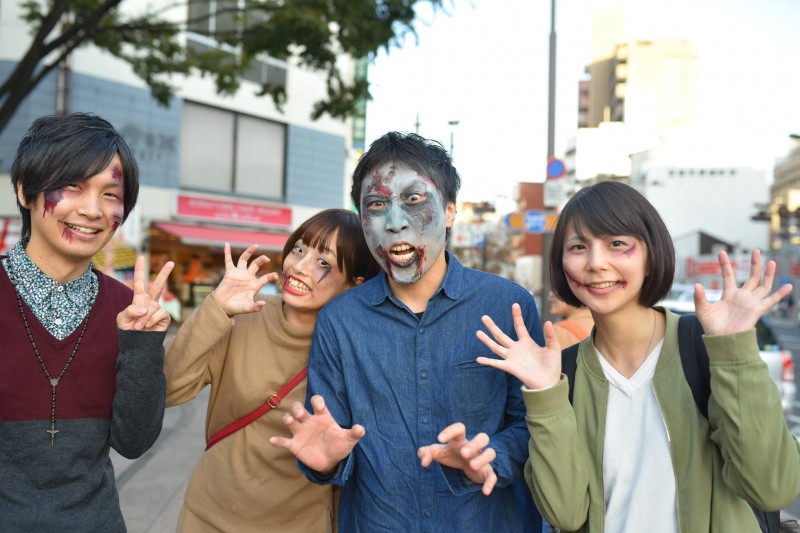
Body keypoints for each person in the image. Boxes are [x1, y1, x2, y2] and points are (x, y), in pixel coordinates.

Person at [476, 181, 800, 532]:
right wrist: (545, 397)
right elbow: (565, 515)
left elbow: (771, 488)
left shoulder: (704, 347)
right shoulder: (564, 375)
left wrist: (734, 352)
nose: (596, 263)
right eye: (579, 246)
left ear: (650, 256)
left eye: (617, 244)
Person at [270, 132, 545, 531]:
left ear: (450, 211)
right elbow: (329, 435)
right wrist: (327, 460)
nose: (395, 222)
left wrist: (489, 457)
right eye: (377, 205)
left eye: (414, 200)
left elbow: (532, 425)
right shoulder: (340, 320)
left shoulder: (508, 306)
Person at [0, 113, 174, 531]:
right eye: (73, 186)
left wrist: (142, 344)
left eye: (111, 194)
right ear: (26, 190)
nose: (93, 210)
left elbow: (133, 443)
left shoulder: (126, 307)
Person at [163, 209, 380, 532]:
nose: (300, 267)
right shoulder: (245, 315)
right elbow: (167, 389)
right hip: (208, 516)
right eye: (299, 249)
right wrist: (216, 310)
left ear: (353, 285)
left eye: (324, 263)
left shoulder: (355, 354)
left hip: (299, 524)